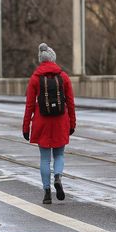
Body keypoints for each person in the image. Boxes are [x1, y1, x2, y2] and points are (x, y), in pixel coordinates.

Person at [22, 43, 76, 205]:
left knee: (45, 159)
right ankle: (58, 176)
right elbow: (71, 103)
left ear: (40, 60)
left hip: (42, 122)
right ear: (53, 59)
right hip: (60, 121)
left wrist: (26, 127)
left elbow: (30, 105)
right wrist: (72, 123)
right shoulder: (64, 77)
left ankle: (47, 193)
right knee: (59, 155)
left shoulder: (35, 79)